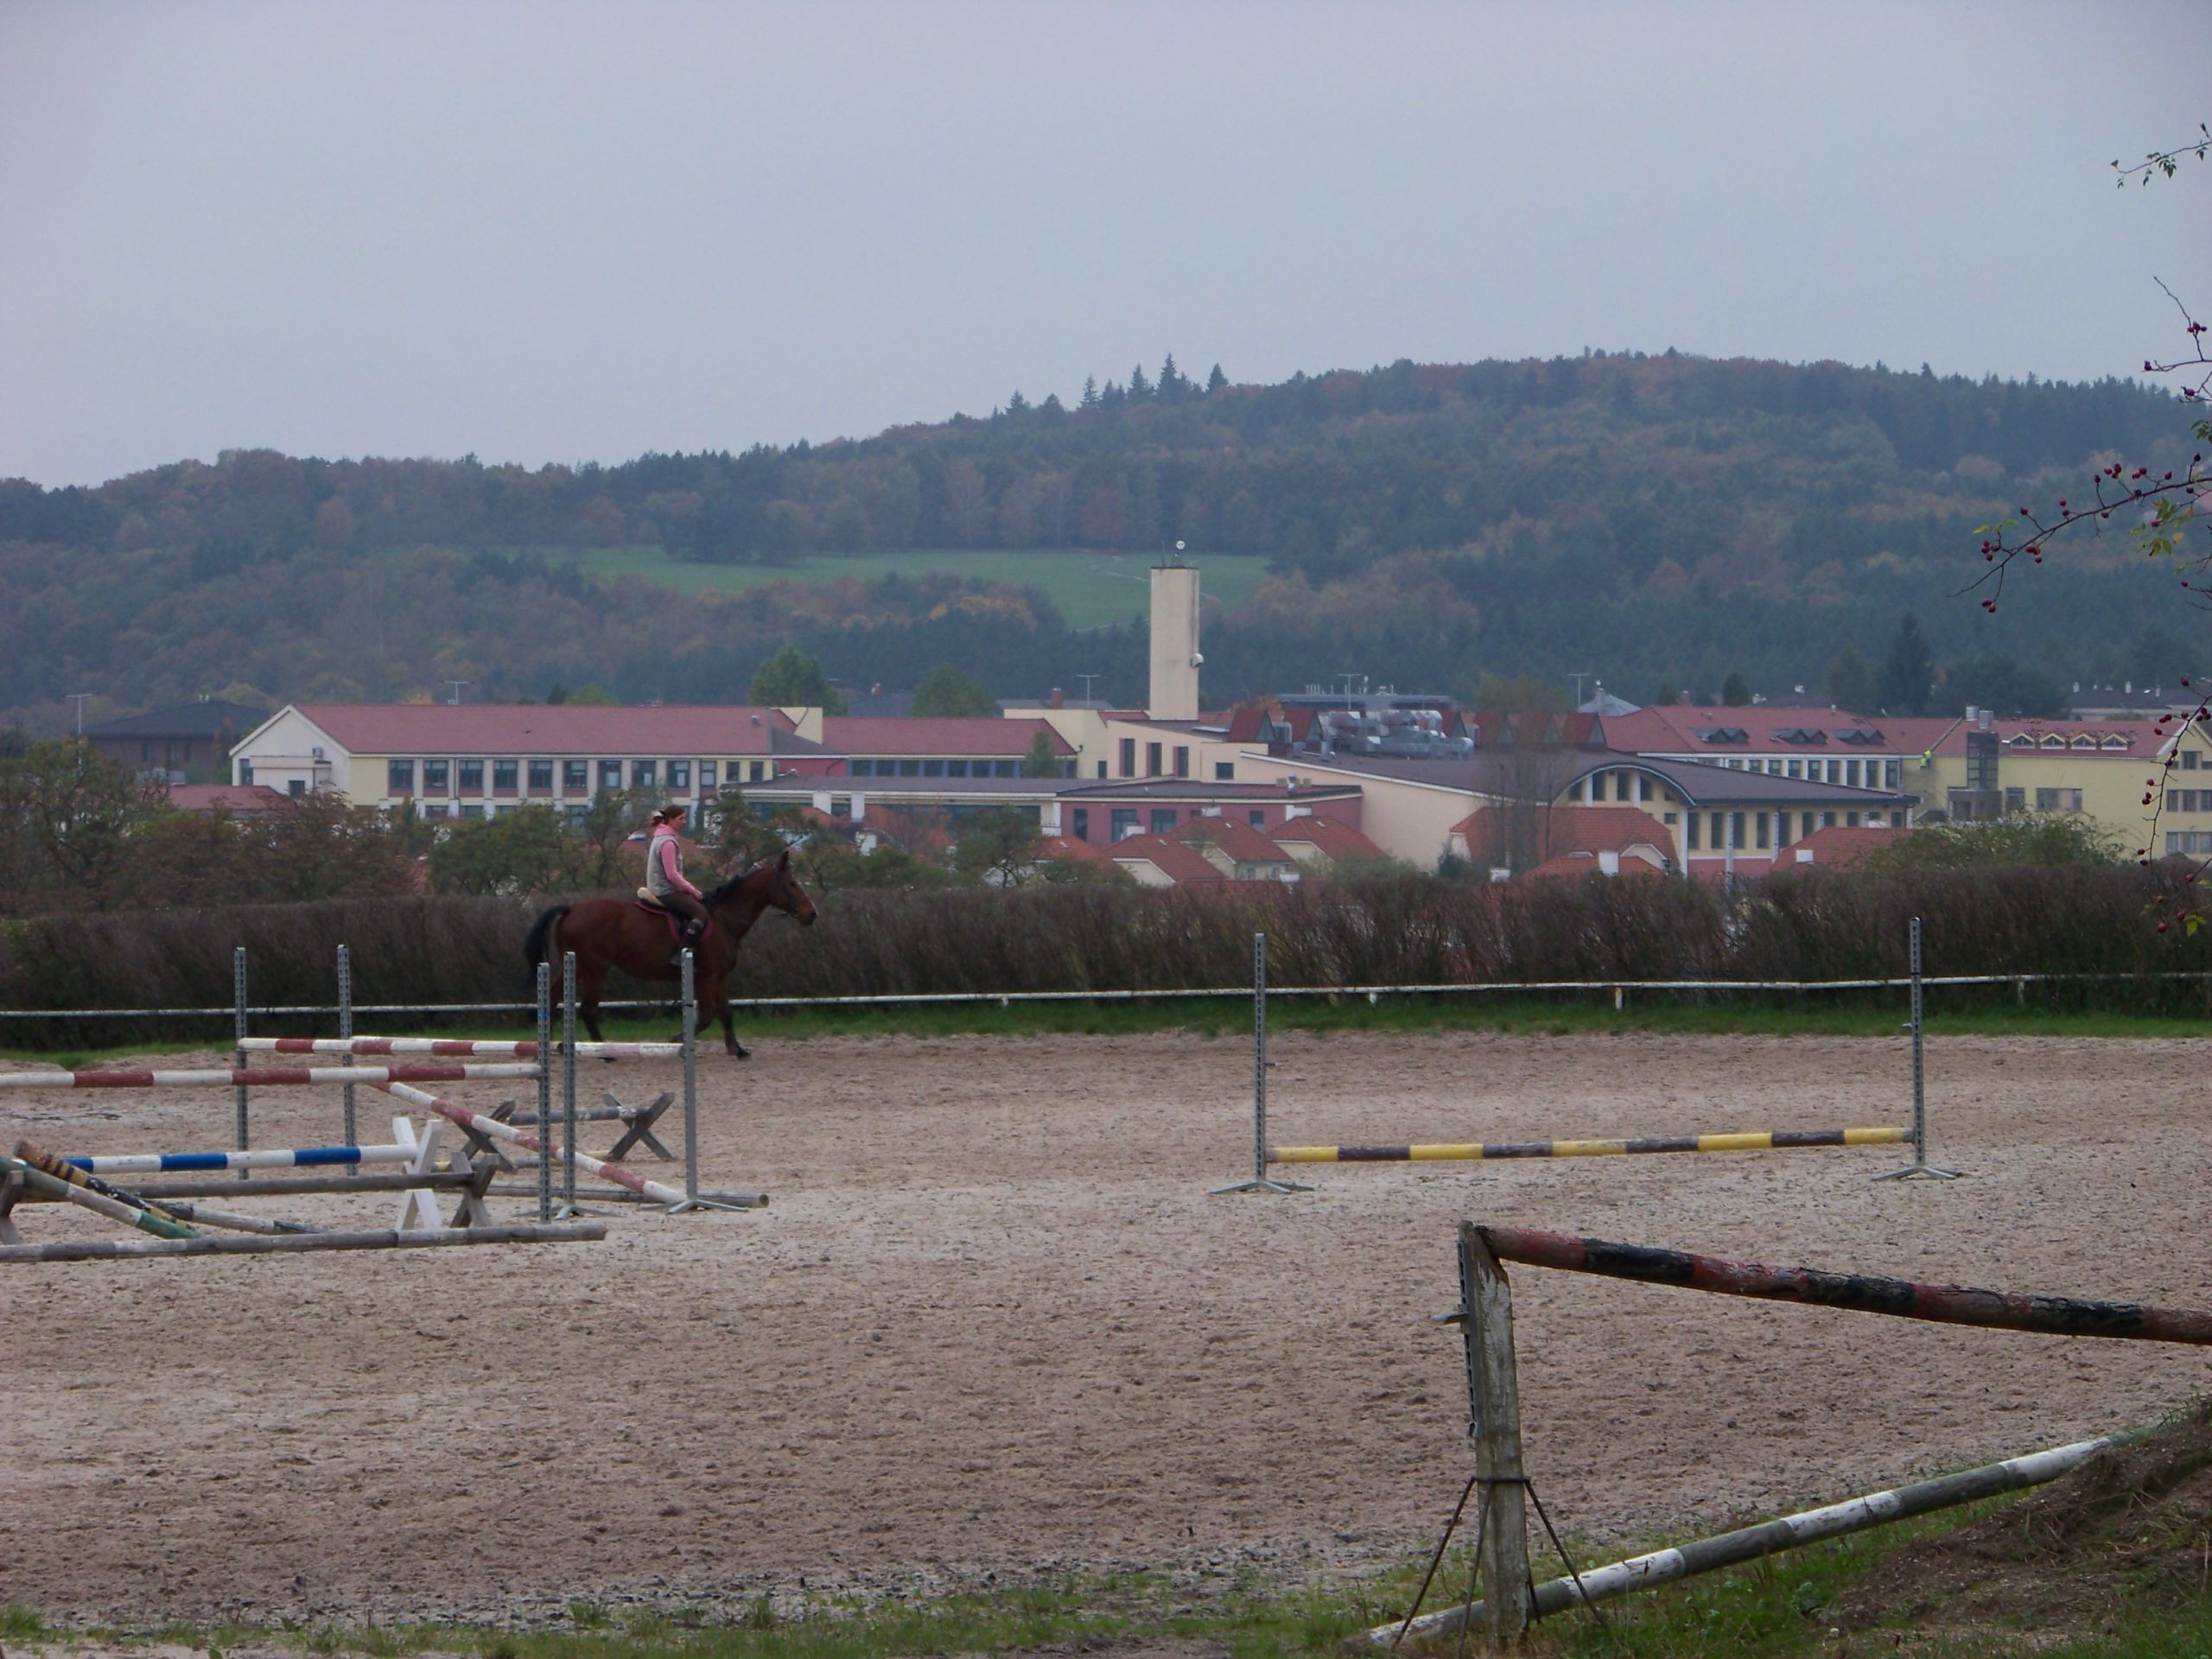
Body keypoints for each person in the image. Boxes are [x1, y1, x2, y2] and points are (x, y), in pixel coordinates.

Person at [643, 804, 709, 963]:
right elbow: (672, 875)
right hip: (665, 891)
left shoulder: (660, 837)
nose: (684, 822)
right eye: (681, 819)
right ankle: (683, 953)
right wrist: (693, 891)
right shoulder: (668, 843)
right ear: (671, 820)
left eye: (685, 818)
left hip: (660, 887)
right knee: (701, 913)